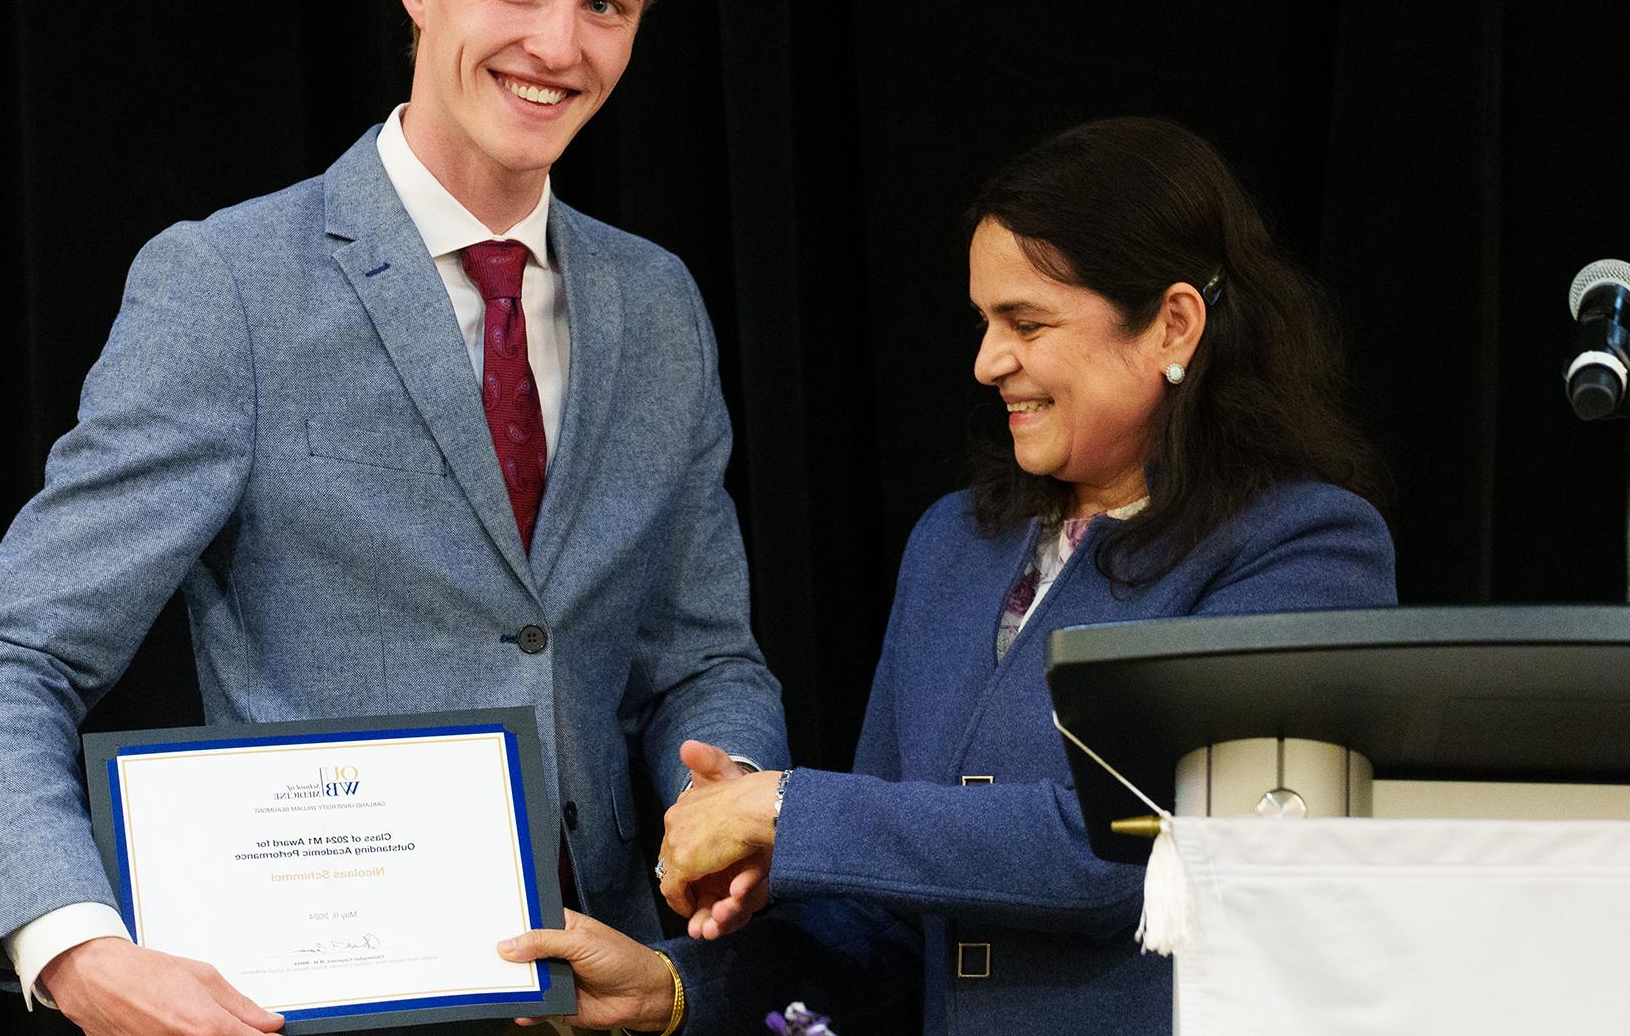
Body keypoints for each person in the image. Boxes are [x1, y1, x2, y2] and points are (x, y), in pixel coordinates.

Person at [0, 0, 786, 1036]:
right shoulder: (227, 283)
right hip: (312, 1012)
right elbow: (7, 660)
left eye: (607, 5)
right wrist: (74, 948)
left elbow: (703, 657)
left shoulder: (658, 304)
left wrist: (737, 796)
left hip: (604, 997)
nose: (557, 42)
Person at [497, 116, 1398, 1033]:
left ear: (1174, 324)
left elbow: (1144, 848)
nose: (985, 361)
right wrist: (673, 987)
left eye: (1027, 322)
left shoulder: (1305, 549)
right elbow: (882, 922)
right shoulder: (953, 546)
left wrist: (789, 810)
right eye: (983, 321)